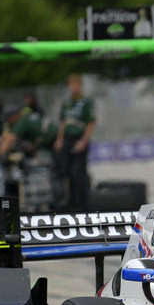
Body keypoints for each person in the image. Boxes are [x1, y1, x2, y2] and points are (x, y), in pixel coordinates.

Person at [54, 74, 95, 209]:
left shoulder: (86, 102)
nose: (73, 88)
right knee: (63, 170)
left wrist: (83, 141)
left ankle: (80, 202)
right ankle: (66, 199)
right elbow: (63, 122)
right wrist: (59, 139)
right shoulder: (66, 103)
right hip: (67, 139)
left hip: (79, 139)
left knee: (77, 173)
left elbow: (91, 122)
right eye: (71, 85)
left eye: (76, 85)